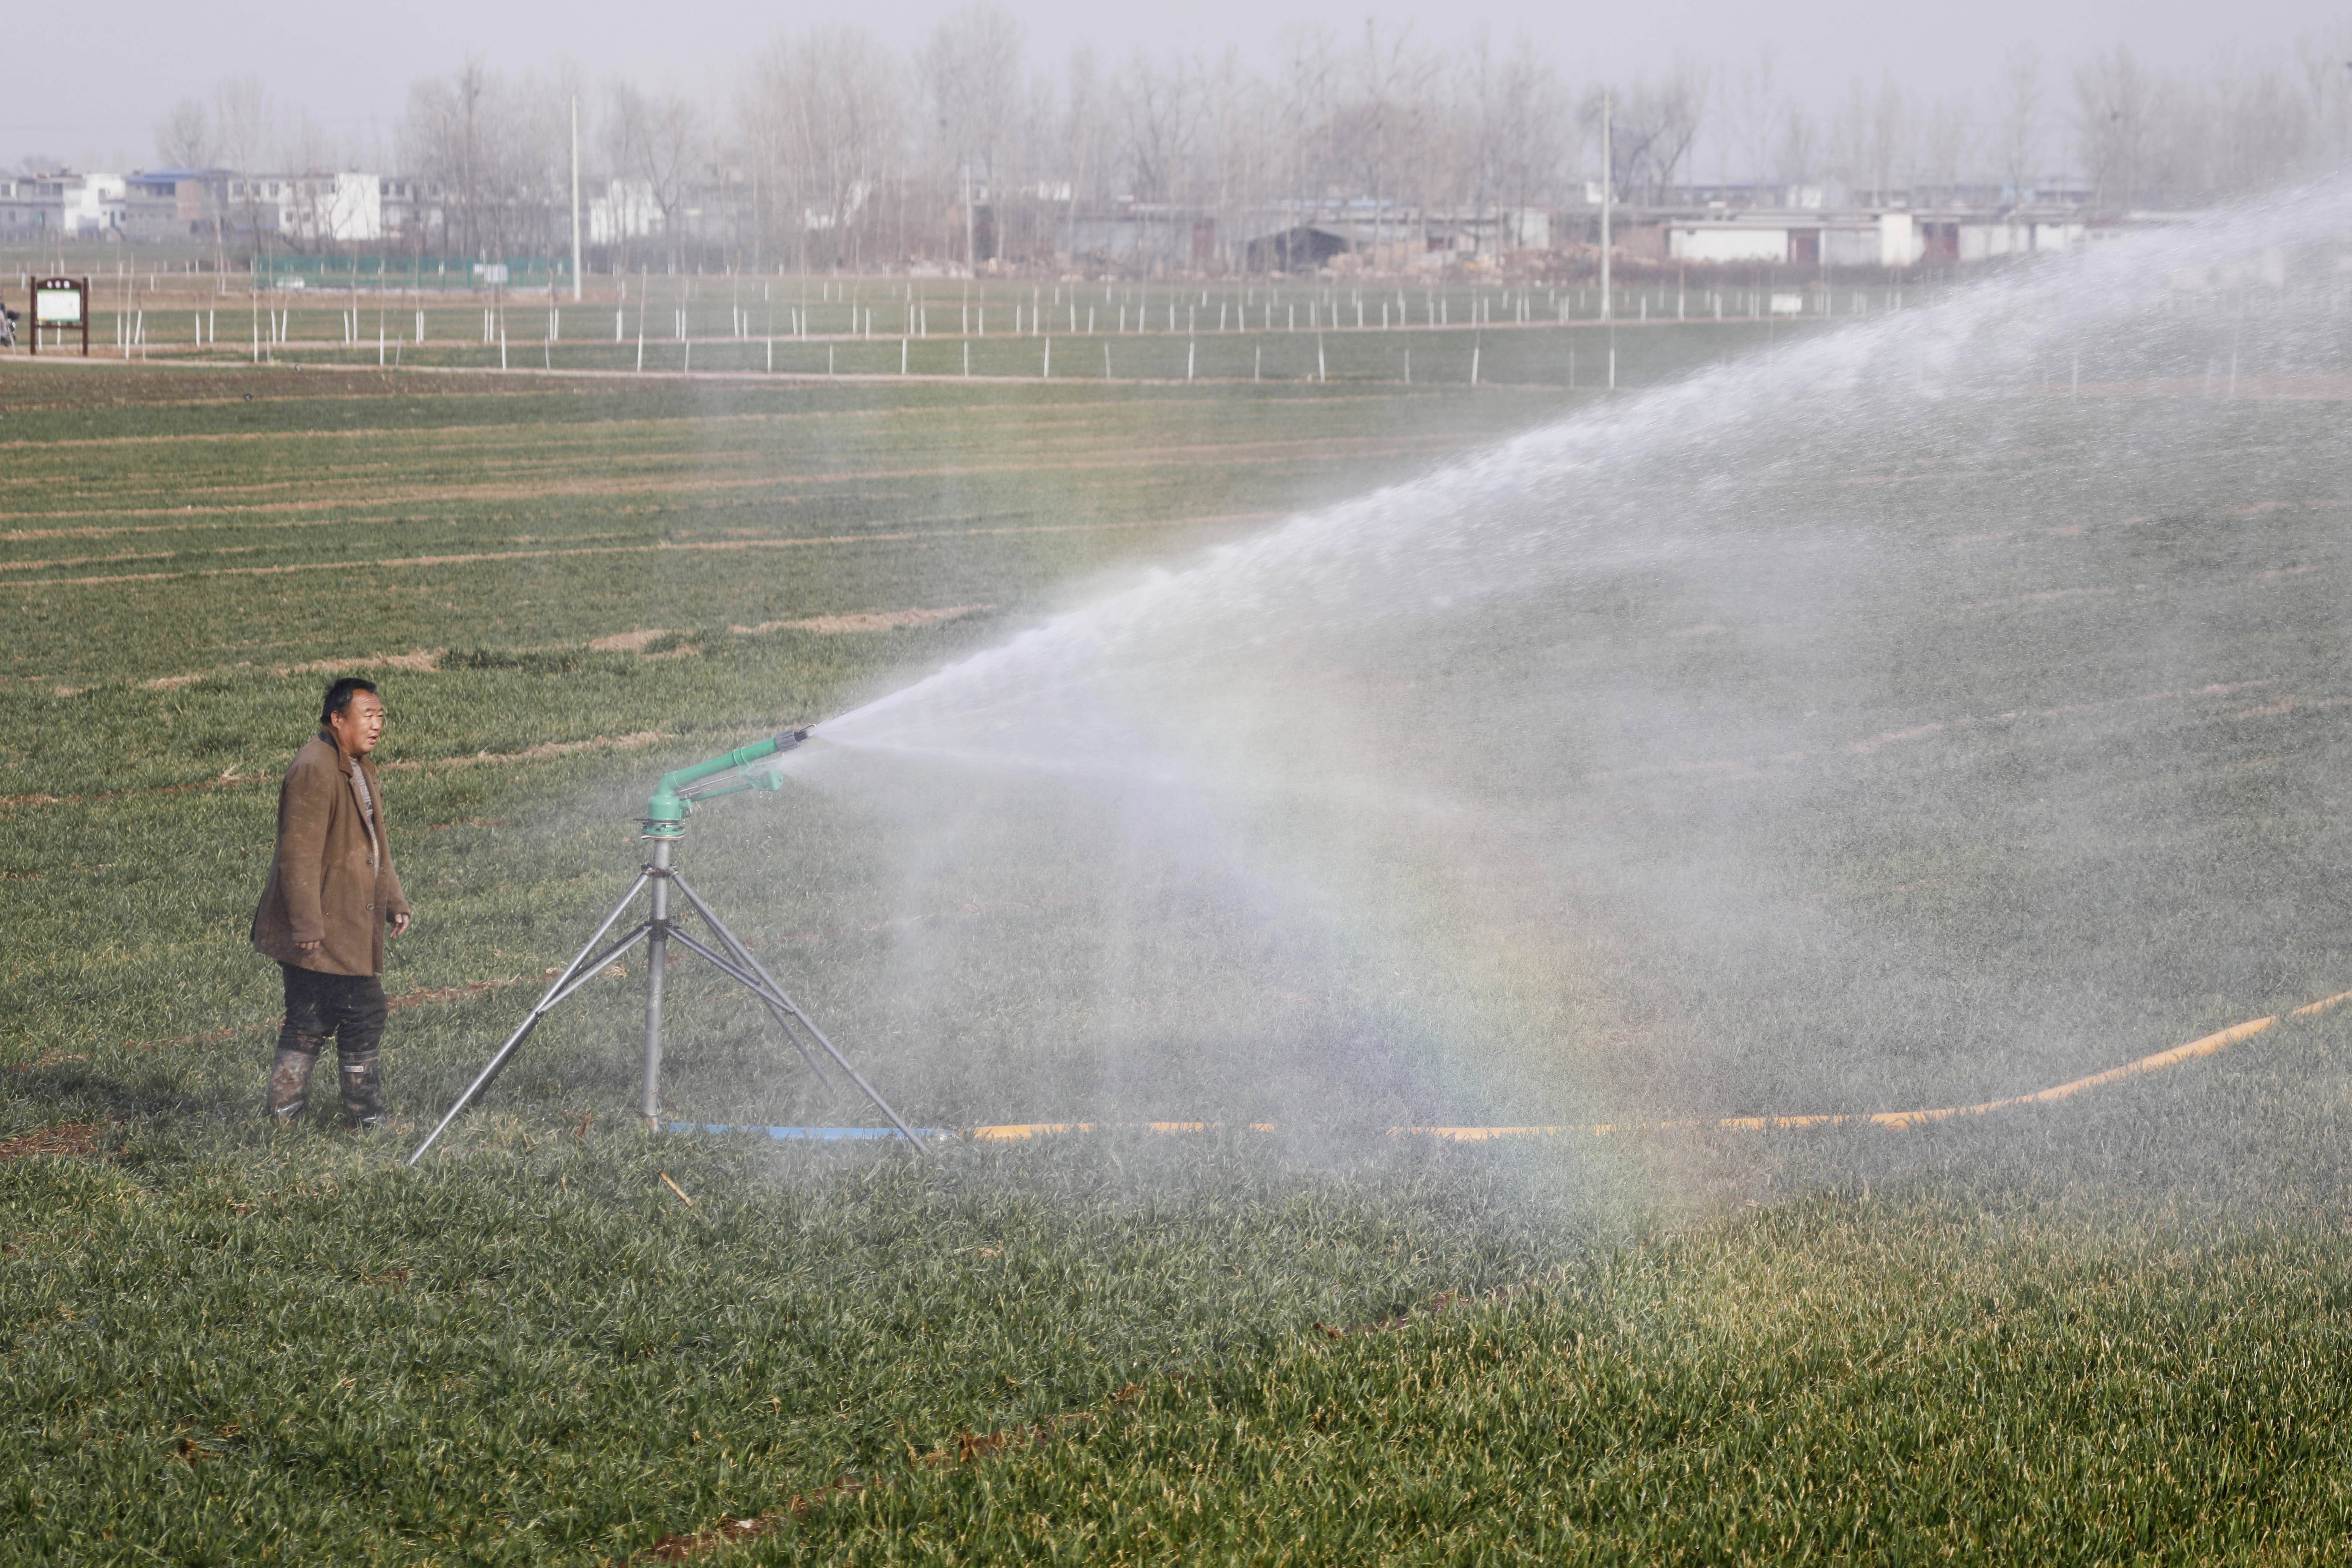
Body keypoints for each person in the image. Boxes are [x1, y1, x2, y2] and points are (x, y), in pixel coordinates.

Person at [250, 678, 413, 1126]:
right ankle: (367, 1120)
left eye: (381, 716)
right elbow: (297, 853)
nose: (377, 724)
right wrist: (305, 926)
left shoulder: (357, 766)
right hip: (321, 926)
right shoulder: (315, 767)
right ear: (336, 719)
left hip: (336, 920)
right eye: (368, 715)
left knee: (309, 1015)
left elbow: (374, 846)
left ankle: (283, 1118)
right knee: (365, 1010)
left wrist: (393, 900)